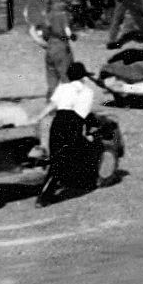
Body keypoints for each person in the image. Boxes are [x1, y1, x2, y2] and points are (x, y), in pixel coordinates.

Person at [33, 61, 100, 205]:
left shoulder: (62, 87)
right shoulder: (87, 91)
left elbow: (52, 105)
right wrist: (87, 133)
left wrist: (38, 117)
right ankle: (44, 197)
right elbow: (82, 114)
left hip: (57, 122)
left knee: (57, 157)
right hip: (72, 123)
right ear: (83, 77)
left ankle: (49, 191)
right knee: (65, 159)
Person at [31, 0, 75, 98]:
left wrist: (43, 44)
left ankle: (50, 103)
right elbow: (68, 32)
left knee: (52, 77)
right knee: (66, 76)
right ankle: (65, 103)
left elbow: (38, 33)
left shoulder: (45, 17)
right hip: (62, 48)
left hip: (50, 49)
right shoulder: (62, 16)